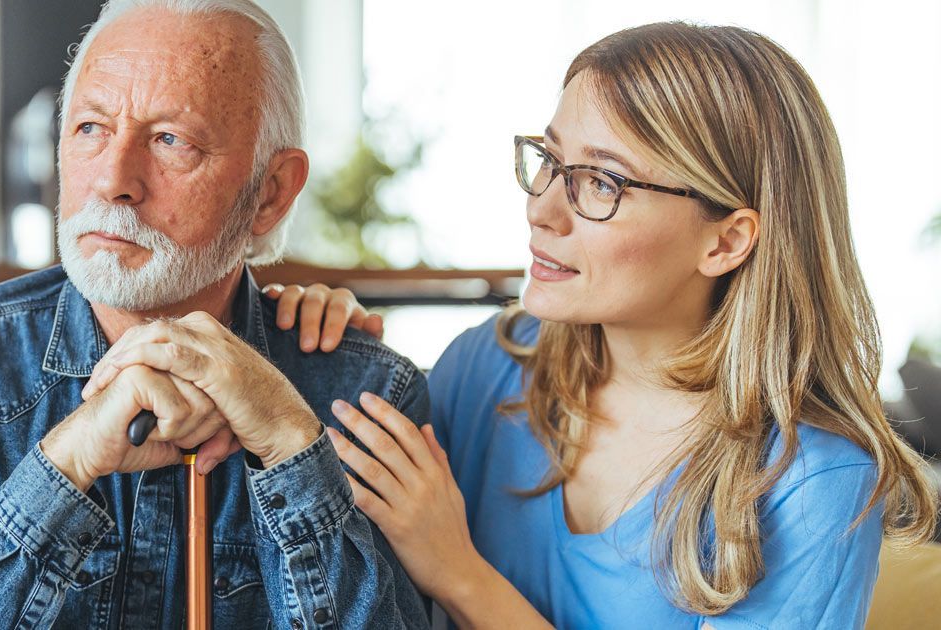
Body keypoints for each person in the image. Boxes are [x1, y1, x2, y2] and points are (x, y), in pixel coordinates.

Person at [264, 22, 939, 629]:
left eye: (602, 184)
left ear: (727, 242)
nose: (543, 211)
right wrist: (317, 351)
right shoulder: (486, 368)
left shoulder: (814, 482)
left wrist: (459, 573)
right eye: (550, 162)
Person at [0, 1, 428, 628]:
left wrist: (289, 443)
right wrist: (65, 468)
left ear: (270, 192)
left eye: (171, 140)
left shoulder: (367, 397)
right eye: (90, 127)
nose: (114, 179)